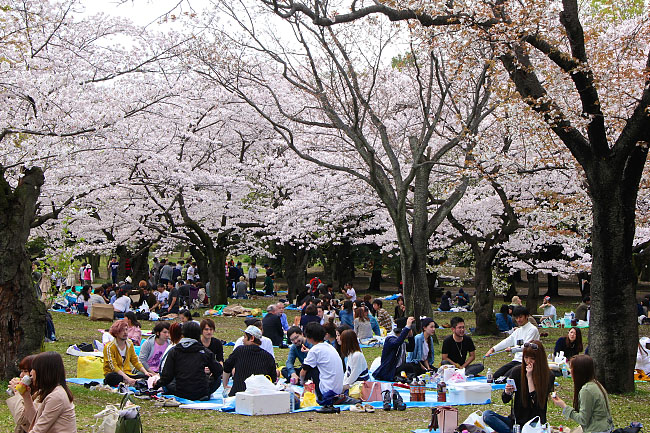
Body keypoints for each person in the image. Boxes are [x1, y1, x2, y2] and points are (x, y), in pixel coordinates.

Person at [483, 340, 554, 433]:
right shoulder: (517, 371)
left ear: (539, 358)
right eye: (526, 357)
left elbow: (537, 403)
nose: (528, 361)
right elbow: (505, 399)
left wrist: (529, 377)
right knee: (487, 415)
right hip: (516, 421)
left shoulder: (548, 375)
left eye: (532, 358)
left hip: (534, 424)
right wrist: (507, 392)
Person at [155, 322, 223, 401]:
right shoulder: (205, 352)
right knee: (217, 379)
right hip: (201, 392)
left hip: (180, 392)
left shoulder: (174, 351)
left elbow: (167, 377)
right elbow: (218, 371)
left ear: (183, 334)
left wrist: (156, 385)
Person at [551, 355, 614, 433]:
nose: (570, 371)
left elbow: (583, 420)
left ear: (579, 371)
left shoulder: (587, 390)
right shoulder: (595, 383)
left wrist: (563, 406)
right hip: (606, 428)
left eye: (571, 368)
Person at [18, 352, 76, 433]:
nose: (31, 373)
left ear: (43, 372)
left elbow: (38, 430)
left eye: (34, 369)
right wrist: (26, 396)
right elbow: (35, 422)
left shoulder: (56, 396)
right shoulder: (50, 392)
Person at [300, 322, 347, 413]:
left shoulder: (315, 350)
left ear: (309, 337)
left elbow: (303, 371)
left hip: (327, 391)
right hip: (338, 387)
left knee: (311, 369)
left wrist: (301, 382)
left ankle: (321, 399)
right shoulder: (329, 346)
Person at [485, 306, 540, 380]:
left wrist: (512, 349)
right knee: (496, 376)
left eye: (520, 317)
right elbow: (507, 341)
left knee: (507, 378)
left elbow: (527, 346)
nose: (518, 320)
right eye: (516, 318)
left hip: (526, 361)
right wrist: (493, 349)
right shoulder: (518, 331)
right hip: (516, 360)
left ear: (526, 316)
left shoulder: (532, 330)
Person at [223, 326, 277, 397]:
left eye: (245, 337)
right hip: (260, 396)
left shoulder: (239, 351)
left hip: (238, 395)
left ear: (252, 338)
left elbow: (227, 367)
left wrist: (225, 385)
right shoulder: (268, 357)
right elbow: (273, 378)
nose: (243, 340)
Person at [103, 320, 153, 386]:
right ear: (116, 333)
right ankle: (130, 381)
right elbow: (113, 367)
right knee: (113, 377)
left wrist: (145, 372)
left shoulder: (129, 343)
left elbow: (135, 360)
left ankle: (132, 381)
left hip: (127, 373)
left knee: (144, 375)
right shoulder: (109, 347)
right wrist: (128, 379)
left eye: (126, 330)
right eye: (122, 330)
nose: (125, 332)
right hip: (114, 373)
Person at [373, 316, 416, 381]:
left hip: (398, 369)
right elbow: (397, 343)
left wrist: (410, 336)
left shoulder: (402, 342)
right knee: (409, 366)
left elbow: (411, 348)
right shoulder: (390, 340)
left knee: (414, 367)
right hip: (389, 370)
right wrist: (407, 327)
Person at [6, 355, 36, 433]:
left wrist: (18, 393)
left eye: (25, 371)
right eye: (21, 371)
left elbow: (21, 419)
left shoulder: (40, 394)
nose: (21, 375)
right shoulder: (31, 391)